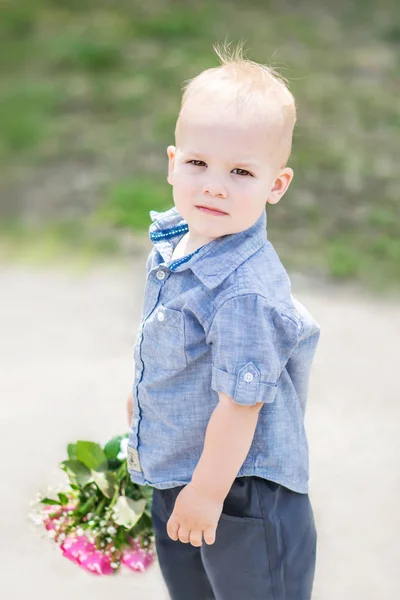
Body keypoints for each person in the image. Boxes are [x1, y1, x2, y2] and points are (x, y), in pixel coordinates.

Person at [126, 44, 320, 600]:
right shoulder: (173, 243)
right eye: (197, 163)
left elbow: (242, 404)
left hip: (242, 496)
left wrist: (208, 493)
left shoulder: (244, 292)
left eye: (240, 171)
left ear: (275, 186)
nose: (213, 184)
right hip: (184, 471)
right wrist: (143, 403)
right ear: (172, 162)